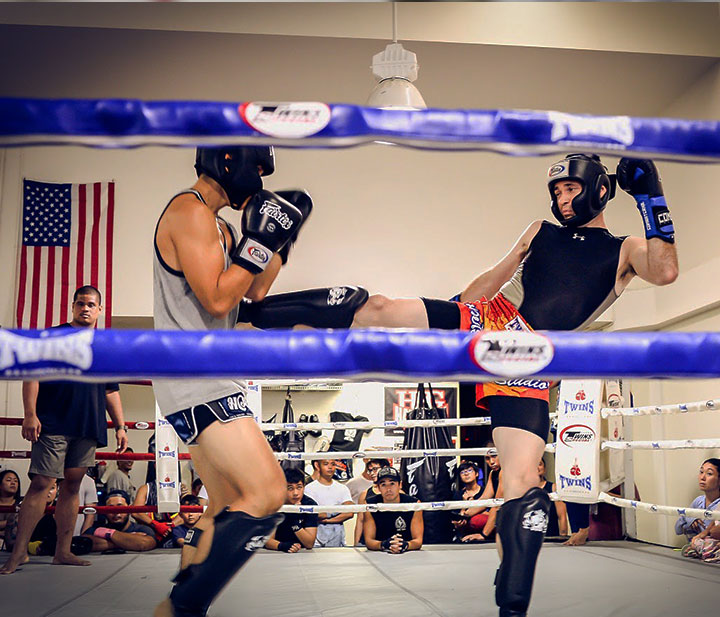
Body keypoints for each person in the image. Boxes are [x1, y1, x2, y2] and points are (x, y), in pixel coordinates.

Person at [238, 155, 678, 616]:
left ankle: (511, 601)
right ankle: (250, 316)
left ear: (600, 190)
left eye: (571, 190)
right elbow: (483, 288)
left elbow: (665, 271)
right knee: (379, 307)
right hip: (493, 318)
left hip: (528, 356)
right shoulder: (539, 230)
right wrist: (480, 290)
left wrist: (652, 198)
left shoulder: (625, 247)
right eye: (557, 192)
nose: (563, 200)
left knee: (522, 480)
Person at [151, 145, 311, 617]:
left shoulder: (221, 226)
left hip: (212, 375)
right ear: (226, 161)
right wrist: (259, 243)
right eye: (257, 167)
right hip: (195, 375)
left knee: (223, 506)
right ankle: (177, 608)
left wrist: (283, 240)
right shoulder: (189, 211)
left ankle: (186, 609)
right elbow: (218, 300)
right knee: (266, 492)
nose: (260, 178)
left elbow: (253, 292)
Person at [1, 285, 128, 575]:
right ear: (73, 306)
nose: (85, 308)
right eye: (80, 303)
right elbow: (32, 376)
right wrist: (30, 414)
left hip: (88, 424)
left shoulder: (104, 346)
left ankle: (63, 551)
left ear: (99, 310)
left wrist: (121, 425)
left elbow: (111, 390)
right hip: (53, 422)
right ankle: (19, 552)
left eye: (91, 304)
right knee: (41, 484)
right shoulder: (52, 337)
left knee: (72, 486)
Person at [364, 467, 423, 553]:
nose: (388, 489)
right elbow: (369, 541)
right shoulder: (371, 505)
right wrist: (384, 545)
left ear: (400, 485)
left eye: (392, 483)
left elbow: (418, 541)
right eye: (383, 484)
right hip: (379, 554)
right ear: (379, 488)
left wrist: (405, 545)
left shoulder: (414, 504)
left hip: (408, 554)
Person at [83, 490, 156, 553]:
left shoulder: (142, 529)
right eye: (110, 509)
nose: (116, 512)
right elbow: (84, 542)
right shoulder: (95, 529)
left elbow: (144, 543)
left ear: (129, 509)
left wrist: (108, 534)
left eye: (120, 507)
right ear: (105, 511)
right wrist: (130, 542)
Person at [265, 468, 318, 552]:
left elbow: (309, 543)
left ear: (304, 487)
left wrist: (293, 519)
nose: (295, 493)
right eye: (290, 488)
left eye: (299, 487)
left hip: (303, 553)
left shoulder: (309, 504)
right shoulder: (275, 504)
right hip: (275, 552)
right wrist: (281, 546)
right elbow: (267, 540)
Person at [303, 460, 354, 547]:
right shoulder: (309, 489)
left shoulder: (342, 488)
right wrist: (339, 510)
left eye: (333, 464)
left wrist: (327, 519)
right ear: (317, 465)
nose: (330, 467)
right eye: (326, 464)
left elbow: (349, 513)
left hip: (338, 539)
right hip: (316, 540)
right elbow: (312, 515)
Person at [460, 446, 503, 543]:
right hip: (503, 514)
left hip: (516, 515)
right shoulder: (493, 473)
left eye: (494, 456)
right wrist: (464, 515)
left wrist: (483, 535)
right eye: (487, 458)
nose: (491, 462)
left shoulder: (506, 471)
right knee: (469, 519)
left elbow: (497, 505)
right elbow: (484, 500)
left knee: (477, 520)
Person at [675, 458, 720, 541]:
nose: (702, 477)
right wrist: (691, 519)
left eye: (709, 474)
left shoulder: (718, 505)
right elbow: (678, 529)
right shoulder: (698, 501)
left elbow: (712, 533)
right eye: (701, 472)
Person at [133, 479, 181, 549]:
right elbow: (136, 512)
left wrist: (170, 526)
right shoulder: (146, 488)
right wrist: (156, 525)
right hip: (152, 532)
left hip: (175, 531)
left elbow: (190, 510)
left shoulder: (180, 487)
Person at [352, 459, 390, 546]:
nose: (372, 473)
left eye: (375, 469)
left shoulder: (397, 493)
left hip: (387, 539)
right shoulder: (365, 494)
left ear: (385, 468)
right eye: (370, 470)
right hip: (367, 540)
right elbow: (360, 520)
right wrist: (356, 544)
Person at [449, 460, 483, 542]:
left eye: (470, 470)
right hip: (465, 534)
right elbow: (457, 518)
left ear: (477, 473)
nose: (466, 474)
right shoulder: (458, 495)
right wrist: (464, 505)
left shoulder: (485, 492)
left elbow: (491, 513)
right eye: (462, 472)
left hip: (484, 532)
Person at [537, 458, 568, 539]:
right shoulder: (523, 490)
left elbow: (562, 516)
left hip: (551, 537)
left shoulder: (553, 487)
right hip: (529, 539)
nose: (536, 467)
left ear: (544, 469)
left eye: (539, 464)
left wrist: (563, 536)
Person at [74, 470, 98, 536]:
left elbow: (90, 514)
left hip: (76, 534)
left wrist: (83, 537)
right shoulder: (51, 478)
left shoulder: (88, 481)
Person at [0, 470, 21, 548]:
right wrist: (10, 523)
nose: (13, 483)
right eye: (8, 480)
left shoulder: (22, 504)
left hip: (13, 546)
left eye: (16, 481)